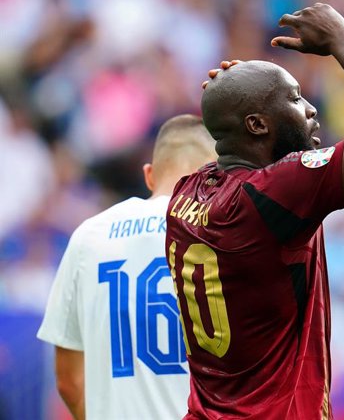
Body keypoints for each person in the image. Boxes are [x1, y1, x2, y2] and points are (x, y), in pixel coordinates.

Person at [165, 3, 344, 419]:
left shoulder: (187, 194)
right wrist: (342, 38)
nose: (310, 108)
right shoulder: (276, 194)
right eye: (293, 99)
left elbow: (230, 145)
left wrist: (238, 94)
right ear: (256, 125)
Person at [37, 115, 217, 420]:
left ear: (149, 175)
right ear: (214, 179)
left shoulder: (89, 236)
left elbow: (68, 382)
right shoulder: (226, 236)